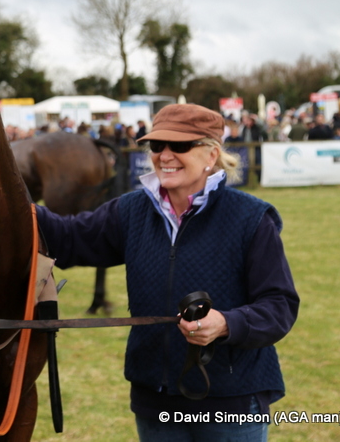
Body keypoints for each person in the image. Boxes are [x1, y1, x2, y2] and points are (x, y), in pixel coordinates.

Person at [35, 104, 299, 442]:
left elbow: (279, 305)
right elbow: (68, 239)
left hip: (231, 399)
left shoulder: (251, 217)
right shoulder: (131, 210)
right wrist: (14, 201)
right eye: (157, 145)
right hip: (154, 400)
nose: (165, 155)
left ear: (211, 155)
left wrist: (227, 324)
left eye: (180, 145)